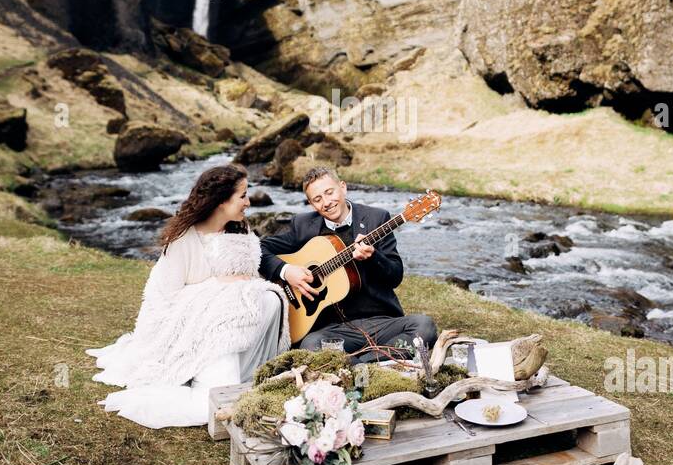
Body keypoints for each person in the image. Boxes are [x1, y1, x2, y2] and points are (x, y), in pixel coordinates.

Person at [87, 163, 290, 427]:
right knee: (215, 393)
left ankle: (250, 370)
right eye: (242, 196)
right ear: (220, 202)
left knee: (269, 298)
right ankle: (212, 376)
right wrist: (220, 284)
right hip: (193, 330)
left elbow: (246, 287)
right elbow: (167, 301)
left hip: (232, 323)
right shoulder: (183, 241)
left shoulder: (239, 232)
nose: (249, 202)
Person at [258, 167, 437, 363]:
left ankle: (358, 363)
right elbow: (259, 249)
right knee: (310, 346)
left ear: (342, 188)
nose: (326, 203)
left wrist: (374, 257)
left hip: (380, 321)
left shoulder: (376, 219)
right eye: (317, 199)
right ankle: (378, 359)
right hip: (333, 328)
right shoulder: (303, 226)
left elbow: (395, 276)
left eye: (329, 192)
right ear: (310, 204)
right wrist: (287, 271)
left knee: (424, 326)